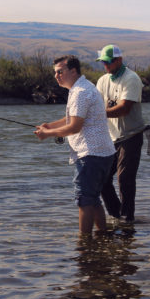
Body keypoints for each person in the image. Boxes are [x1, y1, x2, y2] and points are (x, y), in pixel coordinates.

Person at [35, 55, 116, 235]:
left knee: (85, 200)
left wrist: (46, 134)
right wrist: (50, 125)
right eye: (55, 73)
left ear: (73, 71)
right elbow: (72, 118)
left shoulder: (80, 92)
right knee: (93, 199)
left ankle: (84, 244)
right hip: (103, 153)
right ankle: (103, 236)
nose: (57, 76)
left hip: (91, 155)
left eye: (60, 72)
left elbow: (74, 127)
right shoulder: (82, 88)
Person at [95, 45, 145, 223]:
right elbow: (97, 106)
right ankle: (117, 214)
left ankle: (128, 218)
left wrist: (98, 113)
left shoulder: (131, 78)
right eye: (103, 62)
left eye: (108, 62)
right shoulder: (102, 81)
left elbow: (124, 109)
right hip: (111, 137)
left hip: (131, 135)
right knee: (102, 178)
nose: (105, 66)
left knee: (124, 178)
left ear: (119, 60)